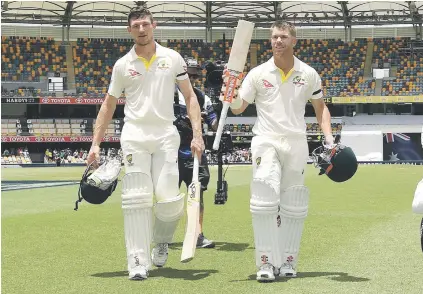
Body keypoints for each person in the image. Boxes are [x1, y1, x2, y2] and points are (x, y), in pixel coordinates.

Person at [86, 7, 205, 281]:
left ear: (154, 26)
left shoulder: (172, 58)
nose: (141, 29)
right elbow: (108, 104)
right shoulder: (122, 65)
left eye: (145, 24)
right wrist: (95, 144)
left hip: (165, 134)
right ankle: (137, 260)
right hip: (135, 135)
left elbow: (190, 97)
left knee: (169, 198)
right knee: (136, 199)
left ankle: (161, 242)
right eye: (136, 25)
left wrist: (197, 134)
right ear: (130, 30)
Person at [227, 20, 335, 282]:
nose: (278, 41)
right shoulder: (257, 73)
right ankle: (264, 262)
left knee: (292, 204)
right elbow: (239, 108)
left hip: (297, 142)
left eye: (283, 37)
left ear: (293, 40)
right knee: (264, 197)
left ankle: (287, 260)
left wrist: (330, 140)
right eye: (274, 37)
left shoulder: (308, 74)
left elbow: (321, 109)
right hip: (265, 139)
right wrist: (230, 94)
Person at [173, 61, 218, 248]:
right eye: (188, 75)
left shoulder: (202, 98)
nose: (191, 80)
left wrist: (223, 107)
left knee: (197, 195)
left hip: (195, 152)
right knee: (168, 196)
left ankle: (197, 234)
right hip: (171, 153)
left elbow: (214, 123)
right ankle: (165, 235)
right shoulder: (168, 95)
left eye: (194, 76)